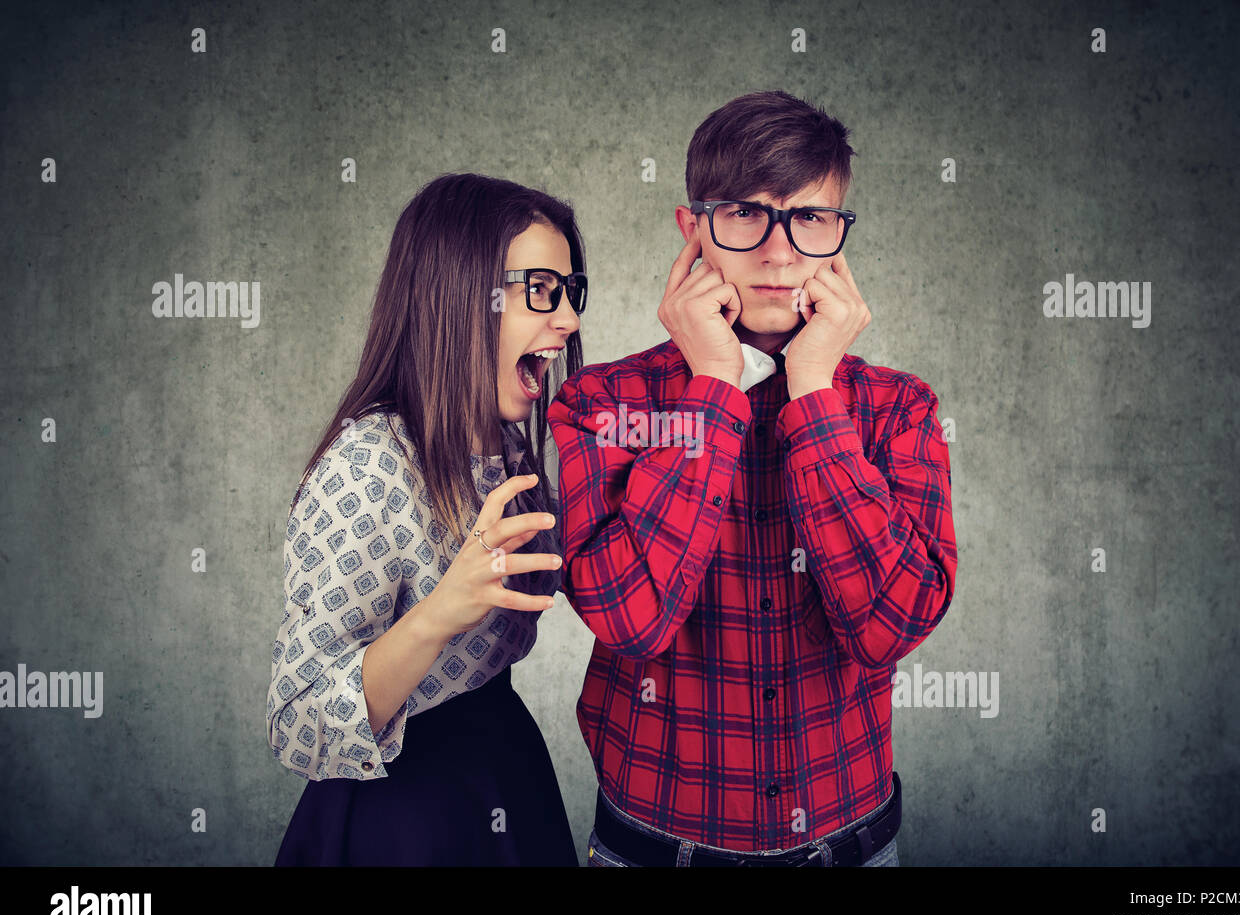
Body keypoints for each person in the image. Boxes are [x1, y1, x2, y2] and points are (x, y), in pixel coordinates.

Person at [548, 90, 958, 867]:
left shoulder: (899, 409)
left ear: (839, 234)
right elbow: (631, 619)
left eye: (809, 218)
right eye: (744, 212)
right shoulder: (602, 403)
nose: (778, 252)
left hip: (852, 847)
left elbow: (891, 625)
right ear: (692, 228)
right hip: (653, 850)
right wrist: (713, 385)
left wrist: (812, 390)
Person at [268, 173, 585, 865]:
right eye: (540, 291)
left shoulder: (509, 449)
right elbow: (299, 726)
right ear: (459, 294)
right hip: (399, 814)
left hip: (504, 765)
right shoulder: (369, 466)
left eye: (568, 293)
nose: (568, 321)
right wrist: (439, 613)